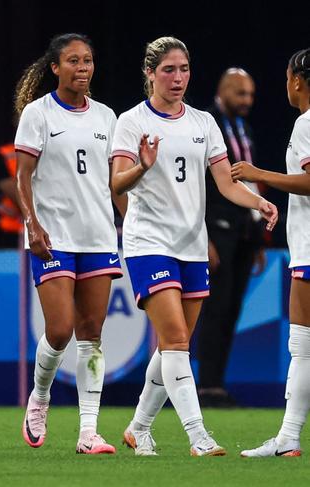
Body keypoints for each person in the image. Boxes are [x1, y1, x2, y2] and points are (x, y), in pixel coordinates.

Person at [110, 36, 278, 457]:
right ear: (150, 73)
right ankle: (198, 435)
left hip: (191, 245)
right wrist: (141, 167)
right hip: (148, 242)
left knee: (175, 343)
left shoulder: (203, 122)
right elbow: (115, 183)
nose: (178, 77)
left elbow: (225, 182)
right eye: (168, 69)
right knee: (178, 341)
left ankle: (138, 428)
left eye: (184, 69)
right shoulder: (131, 122)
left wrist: (258, 200)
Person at [15, 33, 127, 455]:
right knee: (59, 330)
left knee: (92, 334)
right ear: (55, 68)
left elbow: (115, 181)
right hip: (54, 235)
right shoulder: (37, 114)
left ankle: (88, 432)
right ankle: (40, 395)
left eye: (88, 61)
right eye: (74, 61)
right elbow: (22, 175)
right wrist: (32, 223)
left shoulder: (107, 118)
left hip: (98, 235)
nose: (83, 68)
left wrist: (130, 220)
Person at [235, 48, 310, 458]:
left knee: (302, 346)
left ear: (297, 81)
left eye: (286, 77)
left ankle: (289, 439)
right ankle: (287, 439)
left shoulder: (306, 123)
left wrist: (257, 174)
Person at [196, 68, 266, 407]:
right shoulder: (207, 125)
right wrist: (203, 235)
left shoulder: (244, 129)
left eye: (250, 95)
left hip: (244, 231)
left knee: (231, 310)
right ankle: (206, 385)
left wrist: (258, 239)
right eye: (241, 94)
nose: (247, 101)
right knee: (215, 308)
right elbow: (201, 185)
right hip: (217, 229)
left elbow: (249, 182)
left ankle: (216, 384)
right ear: (223, 91)